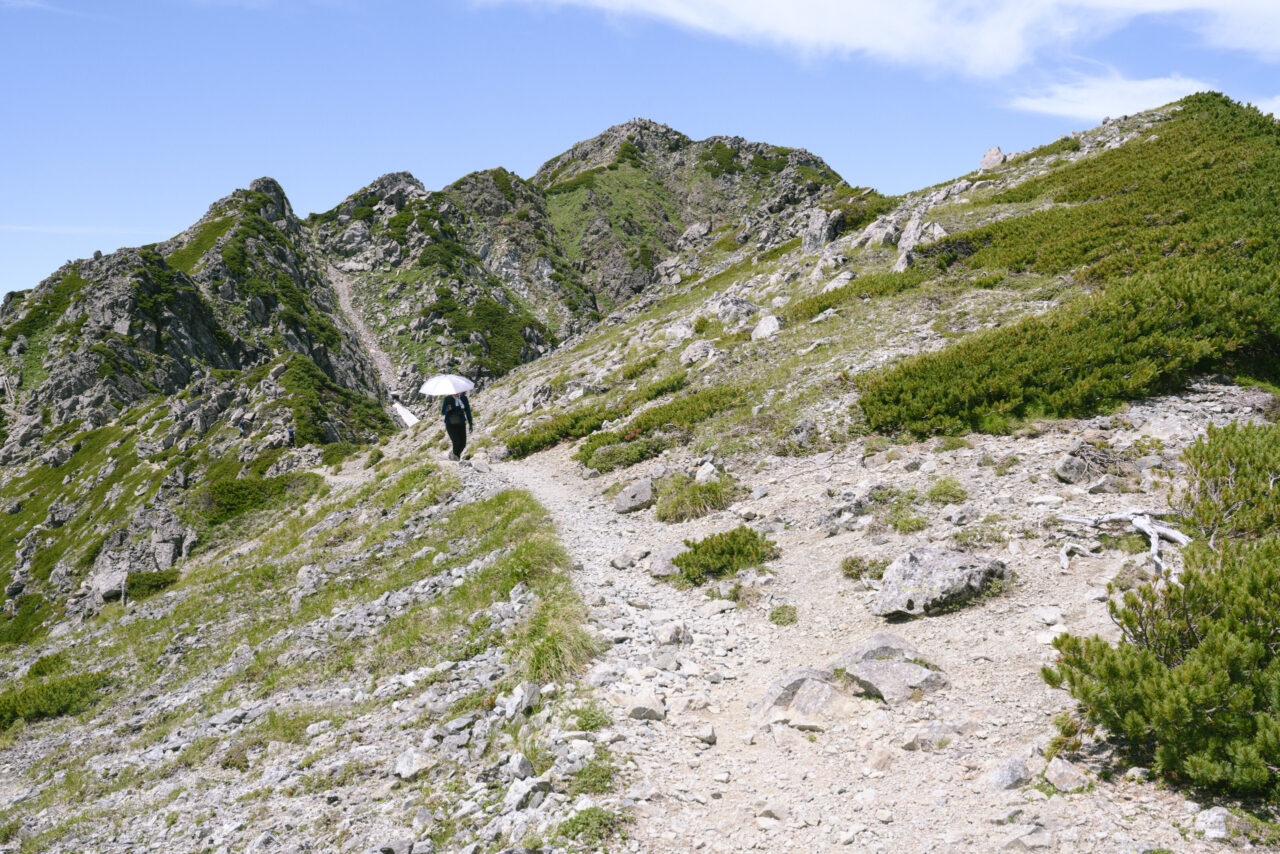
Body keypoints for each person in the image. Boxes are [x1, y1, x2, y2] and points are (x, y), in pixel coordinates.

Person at [442, 391, 472, 460]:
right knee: (456, 442)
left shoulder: (464, 398)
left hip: (461, 423)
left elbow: (468, 411)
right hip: (450, 424)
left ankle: (454, 455)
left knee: (463, 444)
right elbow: (443, 412)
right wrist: (447, 410)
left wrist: (470, 423)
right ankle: (455, 458)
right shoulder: (447, 399)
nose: (457, 392)